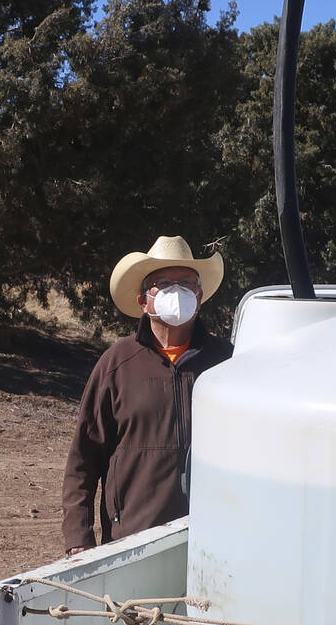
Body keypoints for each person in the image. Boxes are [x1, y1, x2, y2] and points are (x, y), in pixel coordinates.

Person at [62, 236, 233, 554]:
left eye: (186, 283)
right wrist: (78, 539)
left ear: (199, 295)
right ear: (143, 300)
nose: (176, 291)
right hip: (132, 539)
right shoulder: (117, 363)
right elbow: (83, 459)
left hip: (216, 537)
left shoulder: (228, 363)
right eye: (163, 283)